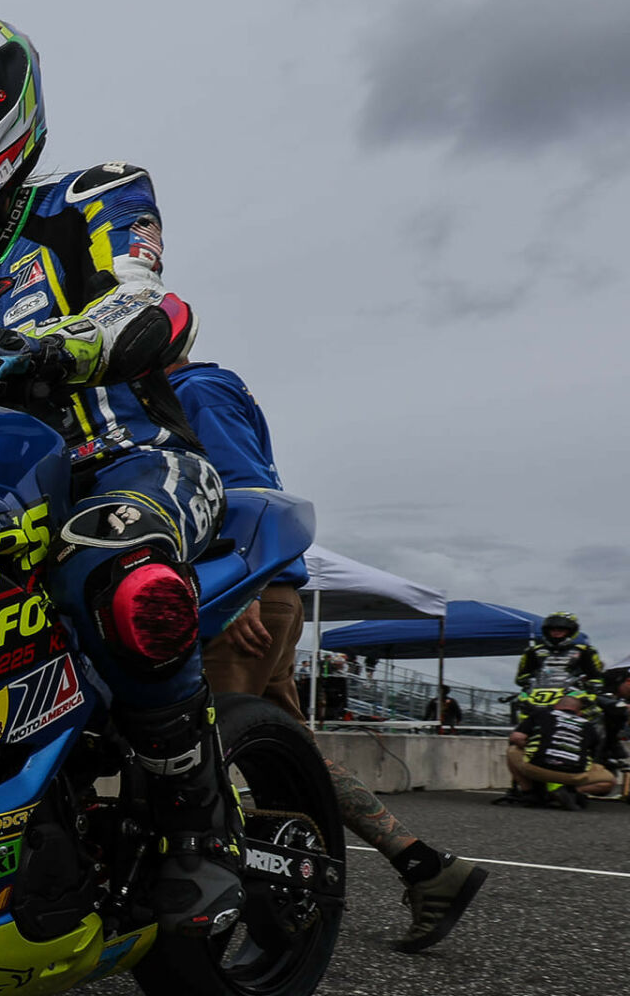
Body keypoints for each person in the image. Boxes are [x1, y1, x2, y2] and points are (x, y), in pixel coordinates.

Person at [0, 13, 239, 937]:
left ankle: (201, 827)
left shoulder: (96, 196)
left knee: (113, 562)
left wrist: (29, 352)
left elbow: (153, 310)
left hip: (143, 465)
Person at [170, 360, 487, 952]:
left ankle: (205, 918)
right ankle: (425, 866)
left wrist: (233, 591)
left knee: (191, 747)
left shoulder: (196, 391)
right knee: (293, 753)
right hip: (265, 593)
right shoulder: (187, 394)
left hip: (239, 594)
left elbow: (240, 487)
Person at [506, 694, 614, 810]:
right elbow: (593, 753)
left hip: (536, 768)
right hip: (574, 775)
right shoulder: (588, 725)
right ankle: (571, 792)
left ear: (555, 706)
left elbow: (516, 738)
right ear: (579, 712)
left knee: (513, 750)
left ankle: (530, 793)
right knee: (608, 780)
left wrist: (527, 747)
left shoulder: (541, 714)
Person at [514, 613, 604, 696]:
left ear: (571, 631)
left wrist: (588, 684)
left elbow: (596, 676)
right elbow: (521, 677)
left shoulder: (585, 651)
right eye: (552, 629)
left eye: (561, 629)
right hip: (538, 694)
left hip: (572, 694)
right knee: (517, 703)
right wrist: (529, 681)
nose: (556, 632)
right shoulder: (533, 651)